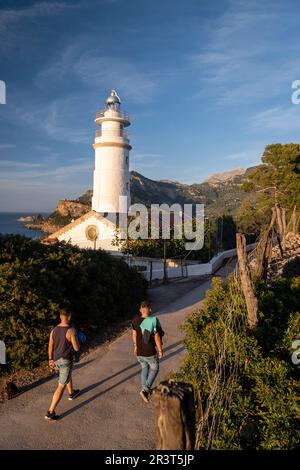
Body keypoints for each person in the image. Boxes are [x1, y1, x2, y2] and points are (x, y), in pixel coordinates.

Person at [45, 309, 81, 421]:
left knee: (67, 375)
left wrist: (50, 359)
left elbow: (50, 346)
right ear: (69, 317)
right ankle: (50, 412)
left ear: (60, 317)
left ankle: (71, 393)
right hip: (66, 360)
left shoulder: (54, 330)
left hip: (56, 360)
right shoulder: (71, 331)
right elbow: (76, 348)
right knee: (61, 385)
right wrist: (79, 340)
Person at [131, 300, 164, 403]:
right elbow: (157, 337)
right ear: (150, 309)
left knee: (144, 368)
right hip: (149, 351)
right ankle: (145, 389)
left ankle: (144, 389)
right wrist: (160, 350)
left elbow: (134, 334)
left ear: (140, 309)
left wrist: (135, 346)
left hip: (139, 351)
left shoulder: (135, 321)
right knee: (155, 369)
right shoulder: (153, 320)